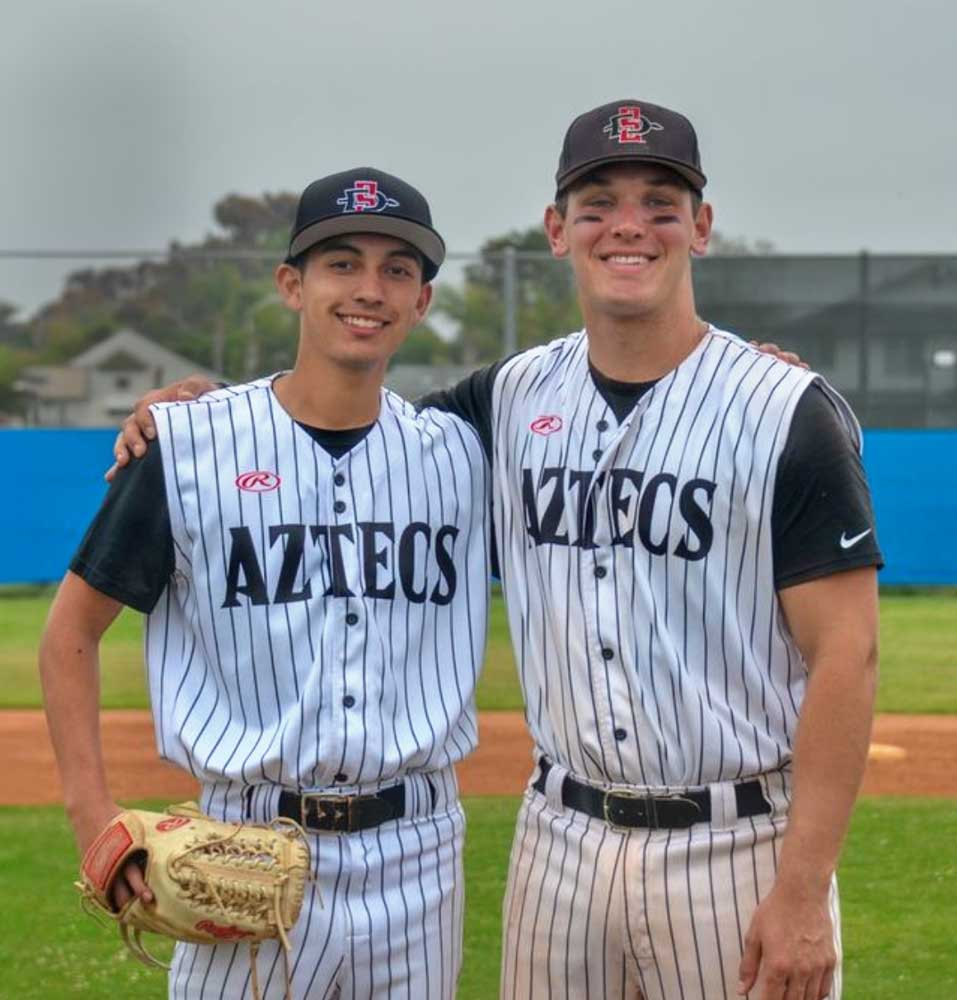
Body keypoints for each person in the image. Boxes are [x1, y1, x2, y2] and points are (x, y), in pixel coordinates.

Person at [113, 100, 881, 1000]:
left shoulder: (784, 411)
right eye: (598, 202)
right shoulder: (509, 398)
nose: (628, 225)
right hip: (558, 843)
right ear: (558, 229)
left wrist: (800, 894)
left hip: (736, 844)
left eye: (660, 202)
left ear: (700, 228)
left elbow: (849, 654)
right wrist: (205, 414)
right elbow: (339, 422)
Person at [40, 167, 492, 999]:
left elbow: (617, 394)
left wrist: (753, 369)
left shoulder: (464, 450)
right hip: (245, 847)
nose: (370, 289)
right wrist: (92, 818)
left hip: (421, 853)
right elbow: (70, 633)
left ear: (422, 302)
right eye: (342, 263)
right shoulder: (187, 446)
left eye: (399, 270)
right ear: (293, 284)